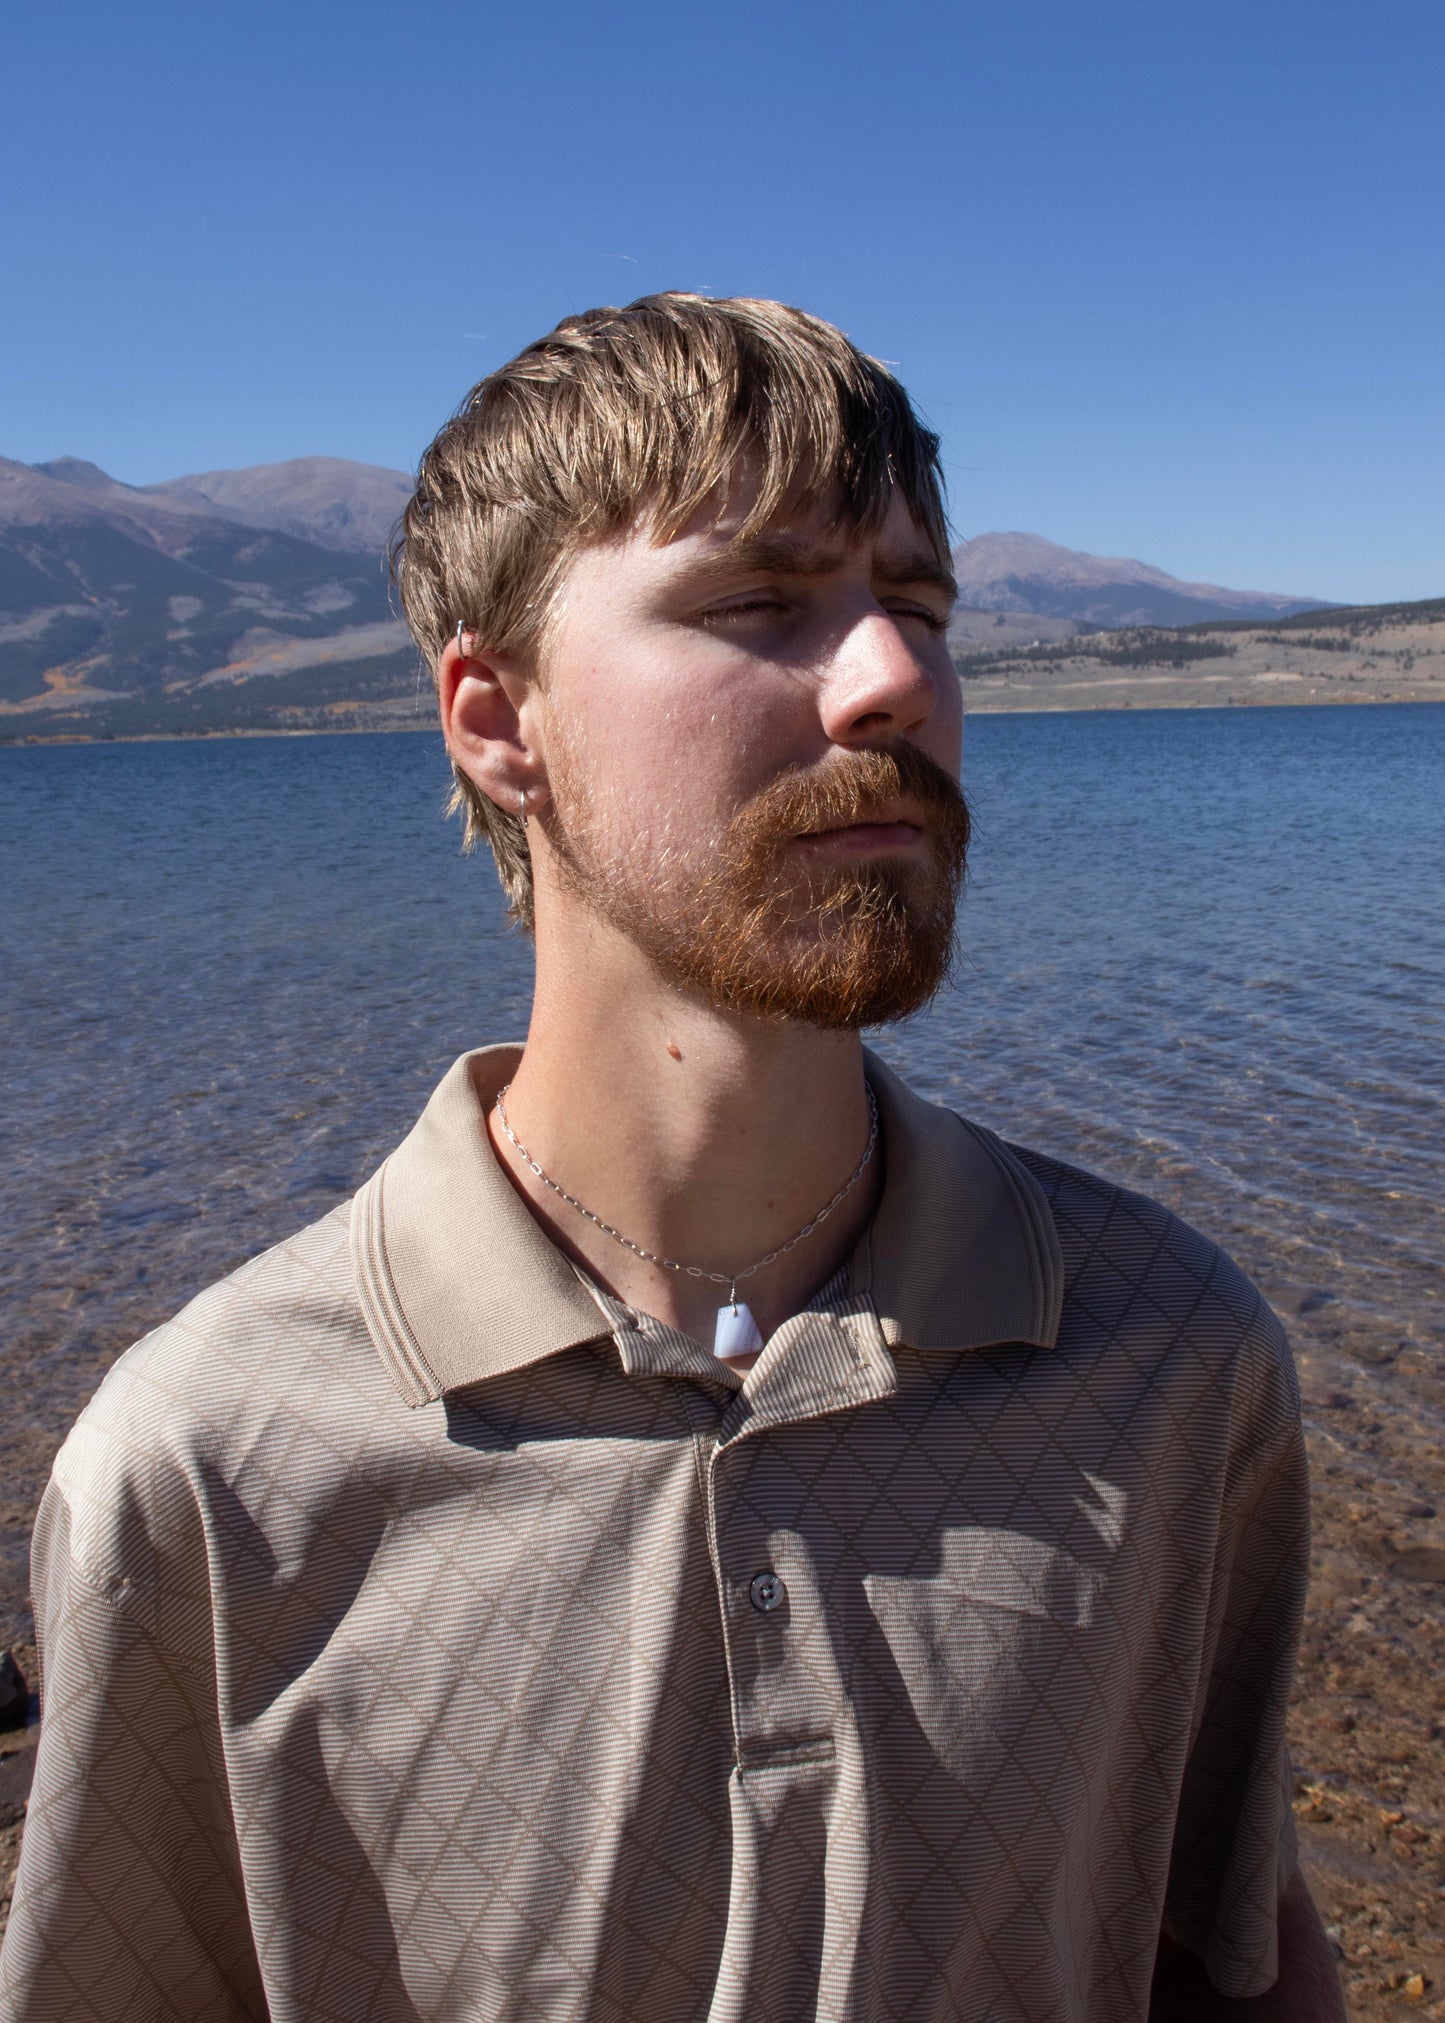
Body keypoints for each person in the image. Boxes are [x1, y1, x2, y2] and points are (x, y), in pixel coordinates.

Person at [0, 295, 1342, 2022]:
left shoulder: (1167, 1359)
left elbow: (1234, 1955)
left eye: (918, 608)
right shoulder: (209, 1466)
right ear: (497, 719)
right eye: (758, 605)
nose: (894, 679)